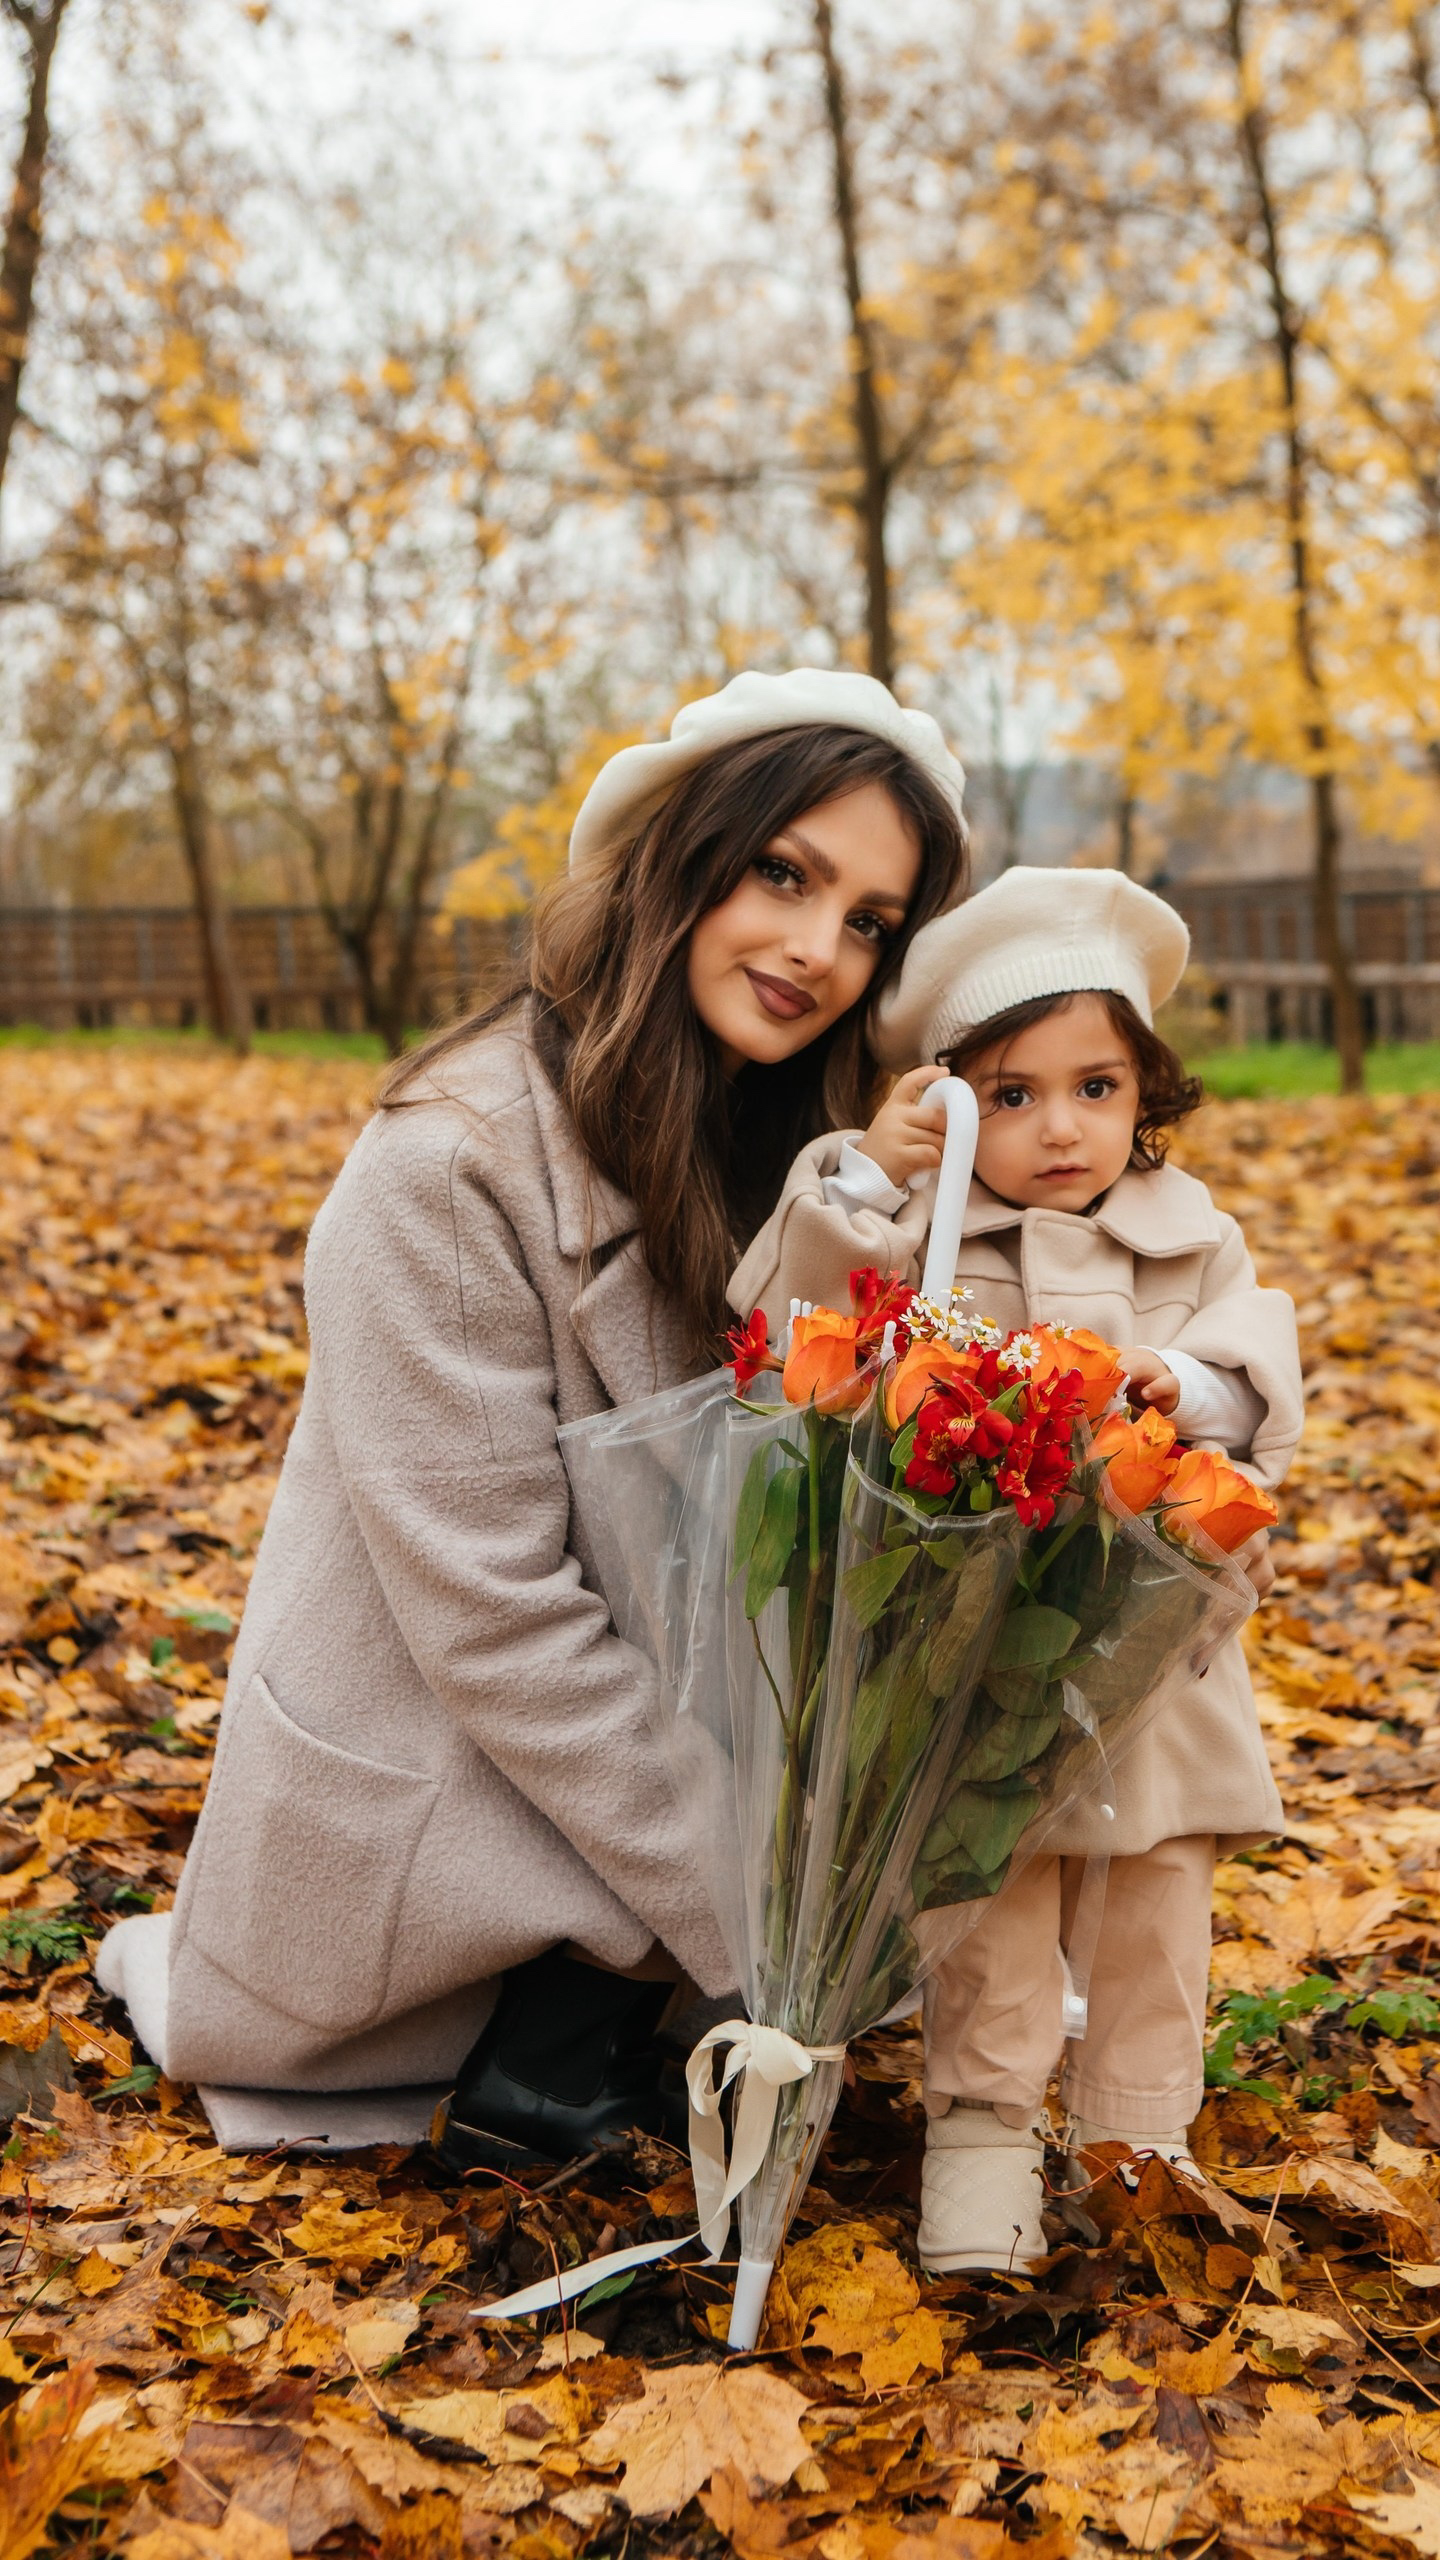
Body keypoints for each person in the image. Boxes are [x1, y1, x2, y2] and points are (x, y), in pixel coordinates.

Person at [97, 669, 969, 2169]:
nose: (818, 949)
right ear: (680, 860)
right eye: (783, 874)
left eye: (870, 921)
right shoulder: (446, 1170)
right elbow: (500, 1625)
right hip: (453, 1788)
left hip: (656, 1759)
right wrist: (779, 1917)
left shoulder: (797, 1157)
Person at [729, 864, 1303, 2273]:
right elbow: (786, 1332)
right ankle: (981, 2142)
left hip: (1147, 1642)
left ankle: (1135, 2136)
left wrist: (1172, 1387)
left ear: (1142, 1094)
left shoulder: (1182, 1231)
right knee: (986, 1904)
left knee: (1157, 1898)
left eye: (1096, 1089)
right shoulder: (923, 1235)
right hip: (975, 1651)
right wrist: (868, 1177)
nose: (1061, 1130)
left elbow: (1253, 1370)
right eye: (1015, 1094)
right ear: (955, 1100)